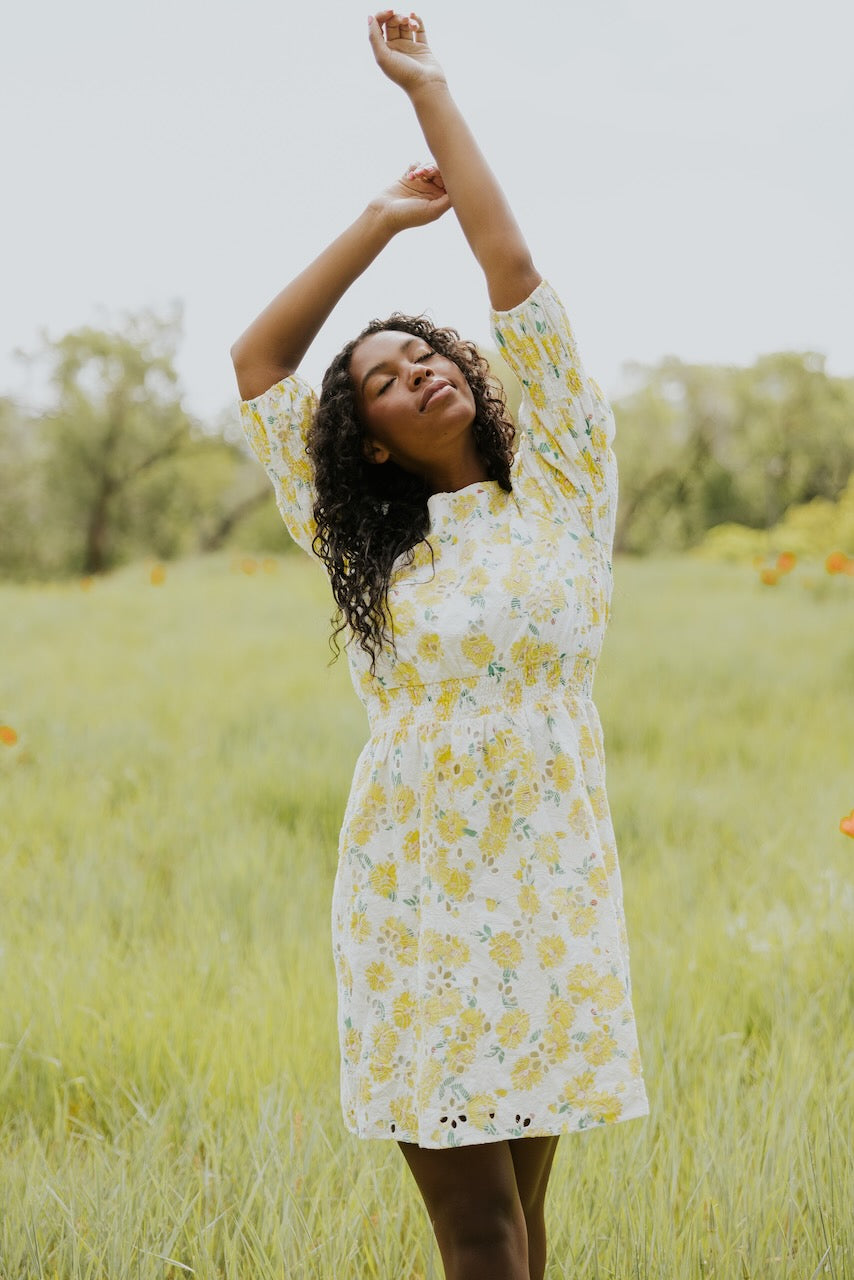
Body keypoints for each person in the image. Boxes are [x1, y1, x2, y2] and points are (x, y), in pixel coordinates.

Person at [232, 11, 649, 1280]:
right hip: (418, 896)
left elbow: (509, 260)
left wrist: (433, 96)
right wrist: (373, 220)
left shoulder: (563, 486)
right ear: (364, 443)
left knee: (525, 1228)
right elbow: (259, 360)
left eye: (424, 351)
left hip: (554, 885)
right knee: (476, 1230)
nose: (416, 371)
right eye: (383, 381)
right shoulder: (368, 548)